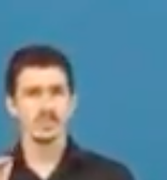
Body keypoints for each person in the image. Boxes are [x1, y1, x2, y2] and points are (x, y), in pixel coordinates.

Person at [0, 45, 133, 180]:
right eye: (33, 93)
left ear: (72, 102)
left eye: (56, 92)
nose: (46, 106)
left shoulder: (111, 176)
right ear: (11, 105)